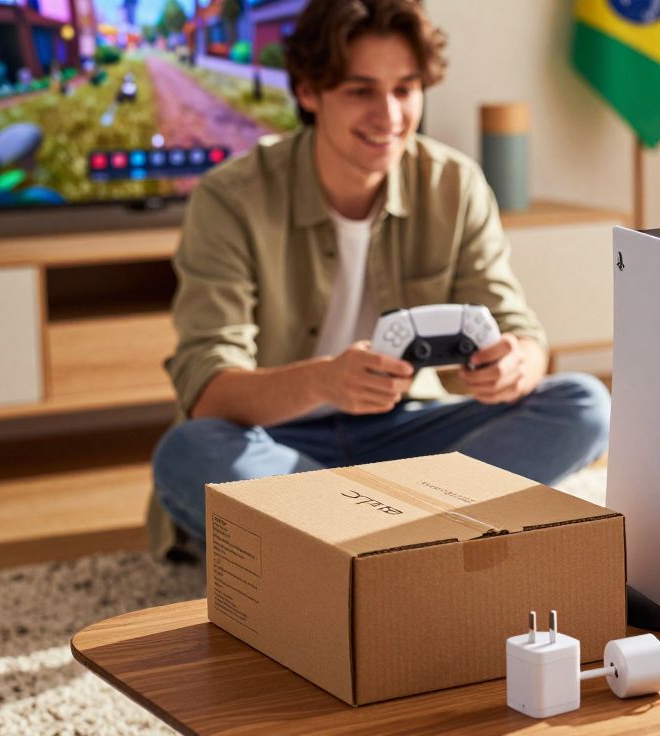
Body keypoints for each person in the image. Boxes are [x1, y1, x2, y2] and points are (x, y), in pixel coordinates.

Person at [147, 0, 610, 557]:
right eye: (361, 91)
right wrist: (323, 382)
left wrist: (515, 365)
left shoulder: (453, 185)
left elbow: (519, 330)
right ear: (309, 92)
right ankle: (420, 537)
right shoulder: (231, 199)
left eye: (405, 89)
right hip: (278, 439)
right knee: (189, 452)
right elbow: (208, 389)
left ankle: (340, 544)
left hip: (408, 437)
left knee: (582, 403)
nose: (389, 115)